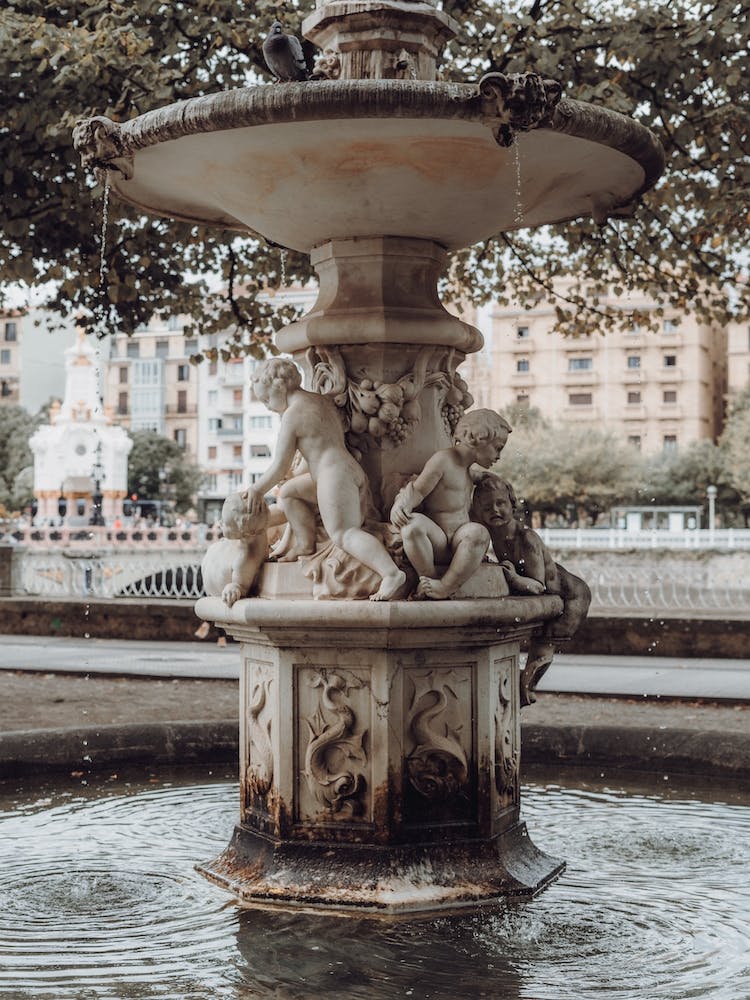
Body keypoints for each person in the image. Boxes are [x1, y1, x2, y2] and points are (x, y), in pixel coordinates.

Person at [243, 358, 406, 602]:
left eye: (266, 399)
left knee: (344, 533)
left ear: (279, 387)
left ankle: (391, 573)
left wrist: (256, 490)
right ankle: (305, 545)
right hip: (344, 469)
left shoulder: (292, 415)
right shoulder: (319, 400)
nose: (267, 406)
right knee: (289, 493)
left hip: (334, 476)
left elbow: (280, 466)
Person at [470, 473, 591, 705]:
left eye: (501, 503)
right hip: (552, 593)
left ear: (512, 505)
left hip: (572, 596)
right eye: (486, 507)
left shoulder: (525, 539)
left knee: (542, 649)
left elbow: (538, 586)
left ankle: (523, 695)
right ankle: (515, 698)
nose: (494, 510)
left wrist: (512, 577)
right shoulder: (491, 533)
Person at [390, 409, 511, 599]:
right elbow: (419, 490)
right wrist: (402, 504)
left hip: (461, 543)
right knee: (411, 527)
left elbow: (478, 480)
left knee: (479, 533)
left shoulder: (469, 471)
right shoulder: (443, 460)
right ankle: (428, 579)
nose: (498, 456)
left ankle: (446, 586)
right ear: (478, 437)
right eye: (498, 448)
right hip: (435, 541)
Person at [201, 492, 271, 607]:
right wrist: (234, 587)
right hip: (214, 579)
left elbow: (239, 585)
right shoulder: (244, 558)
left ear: (244, 530)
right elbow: (240, 586)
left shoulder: (245, 557)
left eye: (226, 523)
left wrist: (235, 587)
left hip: (213, 569)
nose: (220, 523)